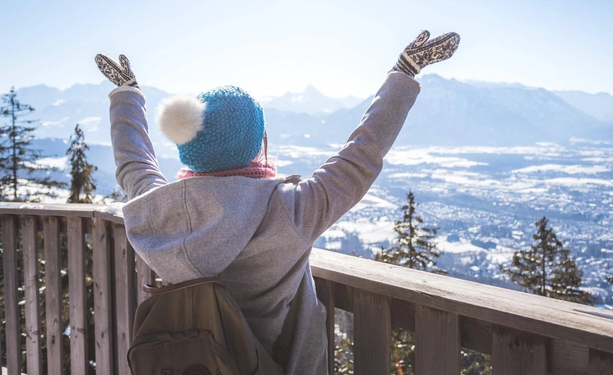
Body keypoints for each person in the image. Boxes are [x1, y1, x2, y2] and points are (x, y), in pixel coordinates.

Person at [95, 29, 460, 375]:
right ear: (260, 144)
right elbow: (361, 156)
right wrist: (403, 74)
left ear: (187, 147)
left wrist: (127, 95)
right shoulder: (293, 209)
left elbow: (134, 163)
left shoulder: (158, 212)